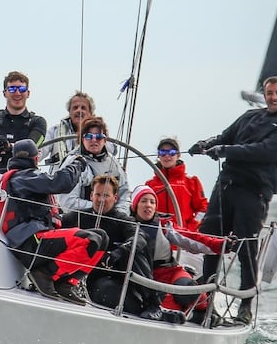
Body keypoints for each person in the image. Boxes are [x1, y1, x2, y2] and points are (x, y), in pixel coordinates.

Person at [188, 76, 277, 324]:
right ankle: (206, 298)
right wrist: (207, 144)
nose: (273, 97)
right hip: (226, 186)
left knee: (245, 247)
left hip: (253, 192)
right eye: (269, 93)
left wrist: (225, 151)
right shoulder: (250, 116)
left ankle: (245, 305)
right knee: (211, 241)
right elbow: (226, 136)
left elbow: (265, 151)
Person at [0, 139, 105, 305]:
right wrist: (77, 164)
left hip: (38, 240)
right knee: (90, 240)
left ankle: (66, 282)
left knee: (102, 237)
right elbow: (60, 183)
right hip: (32, 244)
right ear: (35, 158)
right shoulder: (24, 177)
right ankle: (46, 274)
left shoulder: (24, 179)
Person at [61, 178, 166, 320]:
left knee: (135, 248)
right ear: (91, 196)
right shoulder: (77, 216)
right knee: (108, 293)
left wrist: (118, 252)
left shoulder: (122, 220)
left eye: (106, 196)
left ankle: (154, 305)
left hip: (109, 276)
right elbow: (57, 225)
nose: (101, 200)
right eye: (98, 195)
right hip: (81, 277)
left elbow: (139, 237)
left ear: (115, 198)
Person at [129, 185, 233, 320]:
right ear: (135, 205)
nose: (148, 205)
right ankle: (193, 316)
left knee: (192, 293)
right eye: (143, 201)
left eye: (152, 202)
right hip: (149, 280)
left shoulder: (165, 225)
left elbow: (192, 239)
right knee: (169, 307)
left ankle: (206, 312)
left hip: (172, 272)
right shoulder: (126, 226)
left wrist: (221, 245)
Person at [57, 116, 130, 218]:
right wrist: (99, 209)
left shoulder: (114, 163)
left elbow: (124, 194)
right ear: (82, 139)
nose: (94, 140)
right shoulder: (73, 162)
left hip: (114, 221)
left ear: (105, 140)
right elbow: (67, 201)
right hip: (82, 221)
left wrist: (119, 214)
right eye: (89, 137)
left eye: (99, 137)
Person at [0, 71, 47, 172]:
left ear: (28, 93)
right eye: (12, 89)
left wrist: (8, 146)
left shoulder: (38, 122)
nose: (17, 93)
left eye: (22, 89)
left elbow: (32, 146)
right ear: (5, 93)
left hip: (23, 180)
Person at [145, 137, 208, 233]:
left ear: (178, 155)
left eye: (171, 152)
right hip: (156, 239)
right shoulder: (149, 184)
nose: (167, 156)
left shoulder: (191, 181)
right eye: (162, 152)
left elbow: (203, 209)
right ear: (159, 156)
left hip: (183, 239)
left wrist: (191, 227)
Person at [40, 91, 95, 166]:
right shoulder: (54, 131)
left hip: (91, 176)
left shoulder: (99, 134)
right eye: (75, 108)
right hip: (59, 176)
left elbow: (111, 151)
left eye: (83, 108)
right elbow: (40, 152)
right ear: (69, 112)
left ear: (90, 113)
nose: (79, 111)